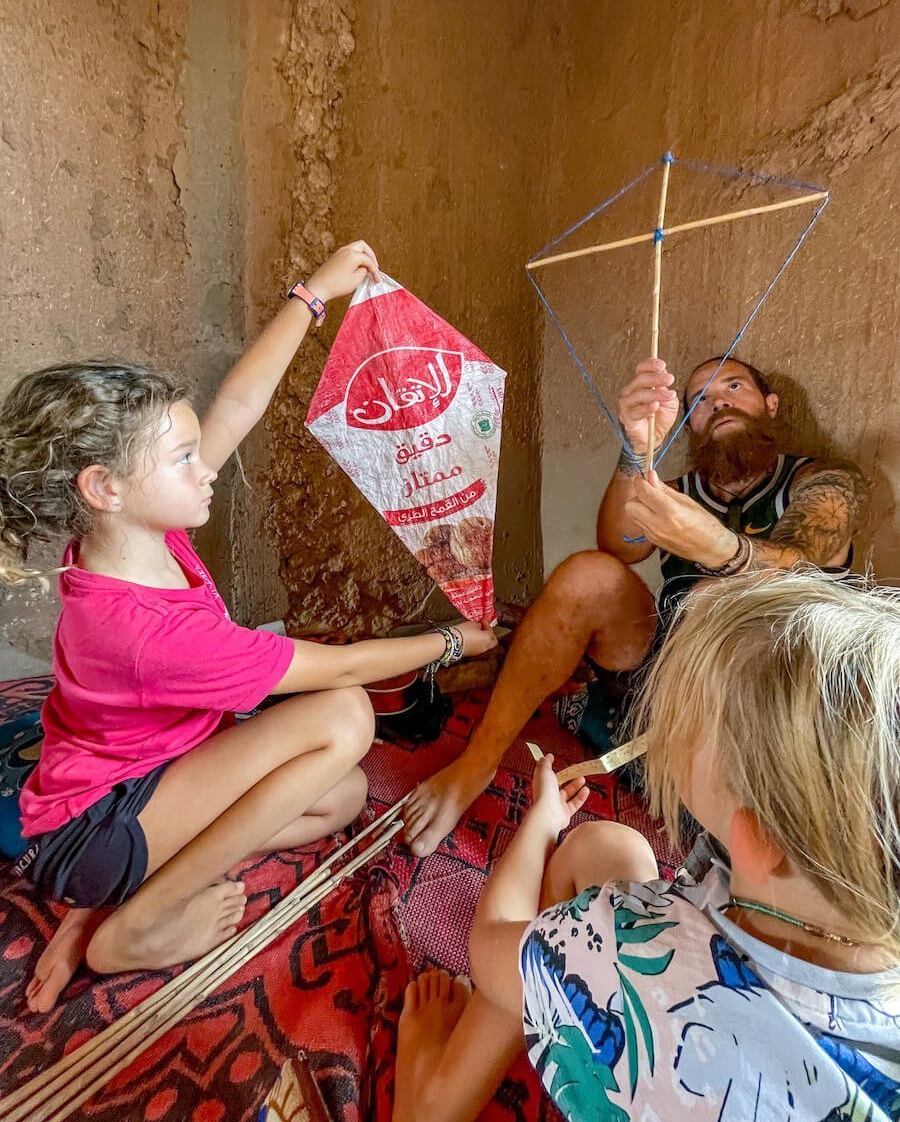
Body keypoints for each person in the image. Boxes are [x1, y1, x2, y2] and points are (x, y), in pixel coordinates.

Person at [0, 240, 496, 1013]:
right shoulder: (141, 631)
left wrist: (314, 295)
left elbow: (236, 403)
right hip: (95, 825)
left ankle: (117, 898)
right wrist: (454, 641)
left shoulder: (137, 534)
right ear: (104, 486)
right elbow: (335, 672)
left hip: (146, 788)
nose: (206, 470)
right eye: (184, 458)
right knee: (344, 715)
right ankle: (137, 921)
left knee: (340, 795)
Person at [393, 570, 900, 1122]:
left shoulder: (631, 948)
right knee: (608, 849)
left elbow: (488, 944)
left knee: (542, 955)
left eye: (692, 720)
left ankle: (430, 1105)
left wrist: (539, 825)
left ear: (755, 838)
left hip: (661, 1032)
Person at [403, 354, 868, 857]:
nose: (719, 402)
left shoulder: (819, 481)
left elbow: (806, 561)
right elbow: (618, 547)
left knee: (713, 601)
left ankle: (701, 786)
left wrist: (721, 550)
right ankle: (477, 763)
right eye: (702, 400)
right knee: (588, 575)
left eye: (734, 387)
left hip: (773, 684)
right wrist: (635, 449)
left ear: (770, 405)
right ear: (690, 424)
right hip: (665, 671)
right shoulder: (675, 493)